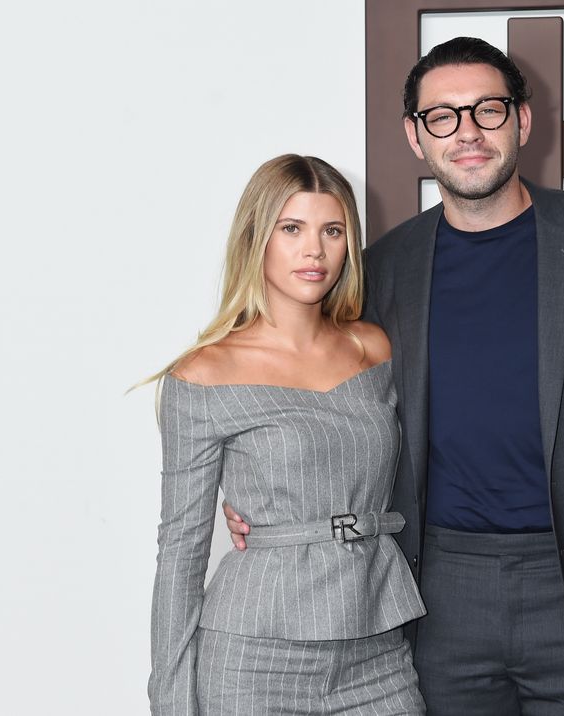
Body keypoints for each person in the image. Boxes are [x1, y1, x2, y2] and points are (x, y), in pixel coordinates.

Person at [225, 38, 564, 715]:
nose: (466, 132)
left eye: (487, 110)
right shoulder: (383, 269)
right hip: (435, 597)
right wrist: (261, 491)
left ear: (522, 121)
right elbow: (325, 396)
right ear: (415, 136)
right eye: (442, 117)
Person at [148, 154, 426, 715]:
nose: (314, 251)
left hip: (376, 647)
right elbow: (180, 552)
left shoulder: (376, 348)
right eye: (292, 229)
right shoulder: (204, 374)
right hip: (253, 656)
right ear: (257, 238)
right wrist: (171, 702)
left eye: (332, 231)